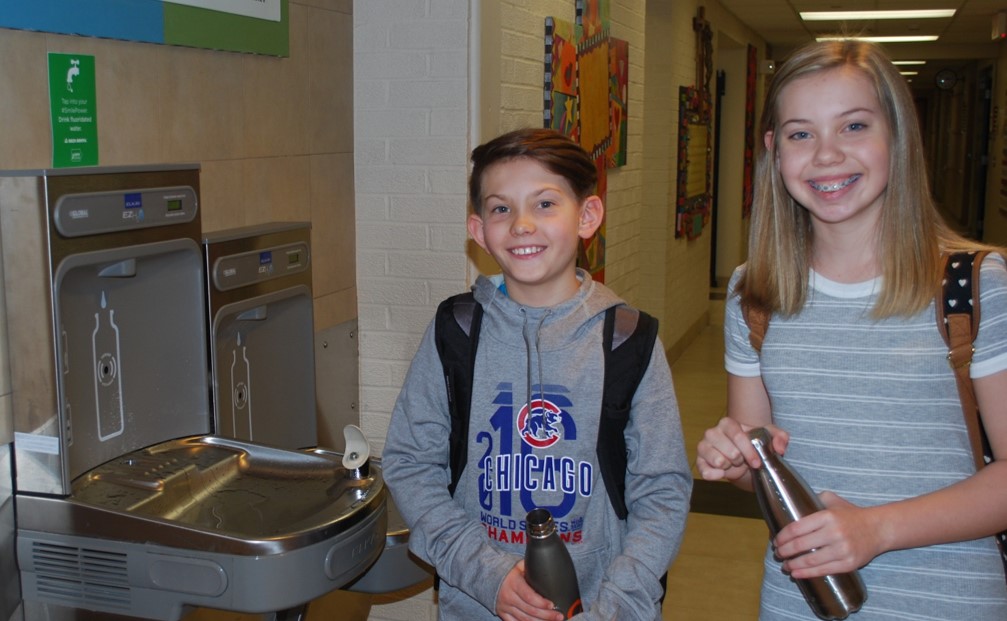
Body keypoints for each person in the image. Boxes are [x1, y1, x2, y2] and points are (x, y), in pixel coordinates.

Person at [696, 38, 1007, 619]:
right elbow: (761, 464)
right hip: (800, 602)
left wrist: (875, 529)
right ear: (774, 150)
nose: (826, 155)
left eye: (854, 126)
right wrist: (740, 464)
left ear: (898, 136)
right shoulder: (755, 294)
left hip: (949, 601)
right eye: (800, 134)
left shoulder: (976, 287)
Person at [382, 128, 692, 621]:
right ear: (479, 230)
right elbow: (410, 463)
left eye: (545, 204)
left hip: (603, 605)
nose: (522, 224)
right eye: (501, 208)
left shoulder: (629, 340)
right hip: (480, 606)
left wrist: (614, 606)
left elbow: (662, 489)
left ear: (587, 217)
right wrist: (487, 574)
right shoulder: (456, 332)